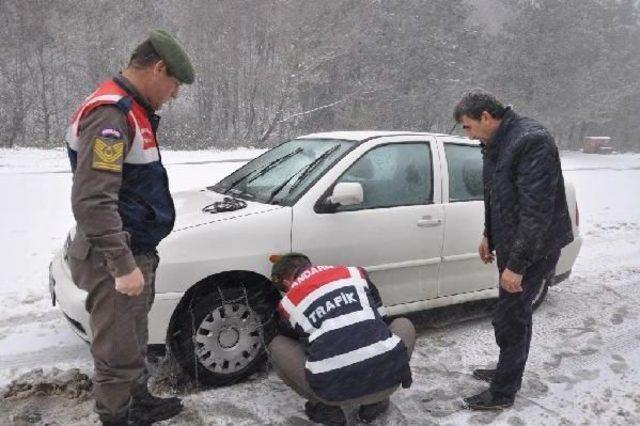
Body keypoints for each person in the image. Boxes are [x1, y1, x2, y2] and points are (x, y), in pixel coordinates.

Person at [64, 29, 195, 425]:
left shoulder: (132, 111)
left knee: (133, 340)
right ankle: (116, 416)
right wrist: (122, 266)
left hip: (134, 250)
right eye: (174, 85)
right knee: (117, 353)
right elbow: (92, 200)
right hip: (114, 257)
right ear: (158, 69)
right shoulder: (111, 114)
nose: (174, 95)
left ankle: (138, 401)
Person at [453, 90, 574, 410]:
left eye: (468, 127)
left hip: (535, 247)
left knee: (511, 317)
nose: (468, 135)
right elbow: (496, 193)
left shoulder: (531, 141)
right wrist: (488, 234)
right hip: (512, 240)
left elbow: (537, 212)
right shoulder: (494, 142)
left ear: (486, 117)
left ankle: (503, 392)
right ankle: (506, 369)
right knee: (510, 315)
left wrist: (517, 266)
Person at [267, 253, 415, 425]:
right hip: (389, 382)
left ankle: (325, 409)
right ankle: (376, 402)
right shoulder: (355, 274)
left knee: (277, 345)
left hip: (332, 393)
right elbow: (382, 319)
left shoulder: (288, 303)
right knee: (403, 324)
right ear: (310, 265)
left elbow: (298, 342)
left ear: (287, 283)